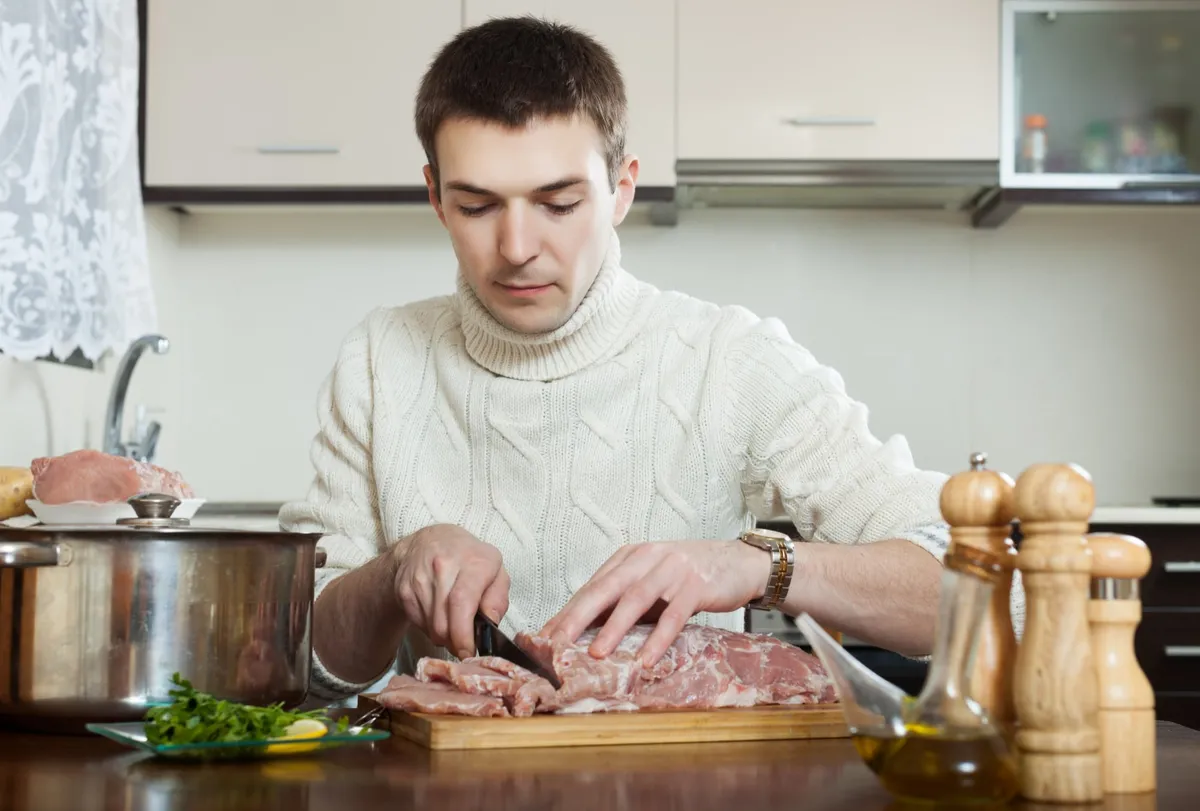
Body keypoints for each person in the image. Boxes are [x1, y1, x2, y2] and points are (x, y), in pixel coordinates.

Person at [279, 15, 1000, 705]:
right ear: (435, 196)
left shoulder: (730, 360)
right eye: (477, 205)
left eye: (558, 202)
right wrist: (392, 571)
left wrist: (758, 565)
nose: (518, 246)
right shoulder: (380, 360)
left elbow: (990, 593)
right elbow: (294, 665)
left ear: (621, 188)